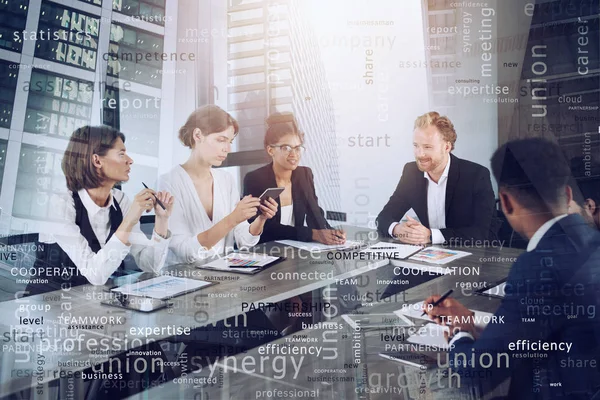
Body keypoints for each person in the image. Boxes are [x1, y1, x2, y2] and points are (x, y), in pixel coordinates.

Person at [424, 138, 600, 399]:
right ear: (568, 194)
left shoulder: (536, 267)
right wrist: (472, 322)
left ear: (505, 202)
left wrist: (460, 334)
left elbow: (476, 375)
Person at [28, 125, 174, 295]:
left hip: (91, 303)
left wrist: (162, 219)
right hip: (51, 306)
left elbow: (150, 264)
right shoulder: (59, 204)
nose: (130, 160)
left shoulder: (120, 200)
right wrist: (130, 220)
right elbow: (95, 275)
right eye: (121, 154)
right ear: (97, 161)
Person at [159, 105, 278, 264]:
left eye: (230, 141)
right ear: (198, 135)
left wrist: (261, 219)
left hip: (223, 277)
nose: (227, 149)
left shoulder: (226, 180)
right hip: (185, 281)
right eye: (221, 140)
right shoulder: (169, 182)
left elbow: (244, 241)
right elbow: (185, 252)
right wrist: (232, 219)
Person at [376, 111, 496, 245]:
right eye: (416, 146)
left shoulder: (476, 175)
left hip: (470, 257)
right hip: (429, 256)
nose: (420, 154)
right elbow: (383, 218)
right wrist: (399, 230)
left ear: (447, 146)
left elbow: (483, 233)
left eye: (427, 147)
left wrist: (431, 235)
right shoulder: (411, 172)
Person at [243, 112, 345, 245]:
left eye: (297, 148)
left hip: (294, 250)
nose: (294, 154)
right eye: (286, 148)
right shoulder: (255, 179)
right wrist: (313, 234)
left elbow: (315, 213)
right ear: (270, 150)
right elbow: (265, 228)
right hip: (265, 250)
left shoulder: (304, 174)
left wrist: (330, 233)